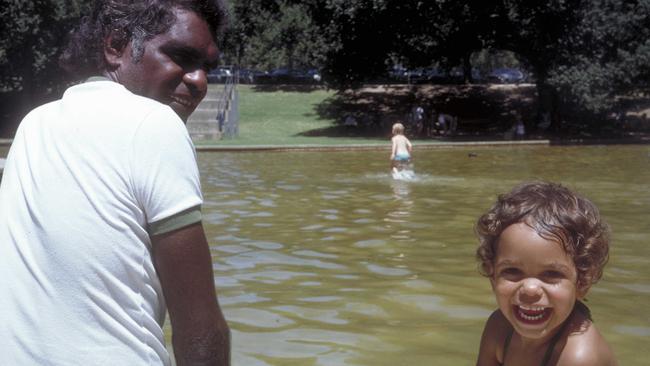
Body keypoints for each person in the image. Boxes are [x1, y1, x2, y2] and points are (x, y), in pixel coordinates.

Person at [0, 1, 230, 365]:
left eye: (207, 67)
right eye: (182, 57)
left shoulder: (35, 124)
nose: (199, 80)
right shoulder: (156, 123)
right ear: (116, 45)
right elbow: (199, 327)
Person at [475, 181, 617, 366]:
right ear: (493, 277)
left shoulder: (579, 357)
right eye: (512, 271)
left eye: (551, 274)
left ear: (582, 282)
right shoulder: (499, 327)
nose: (530, 288)